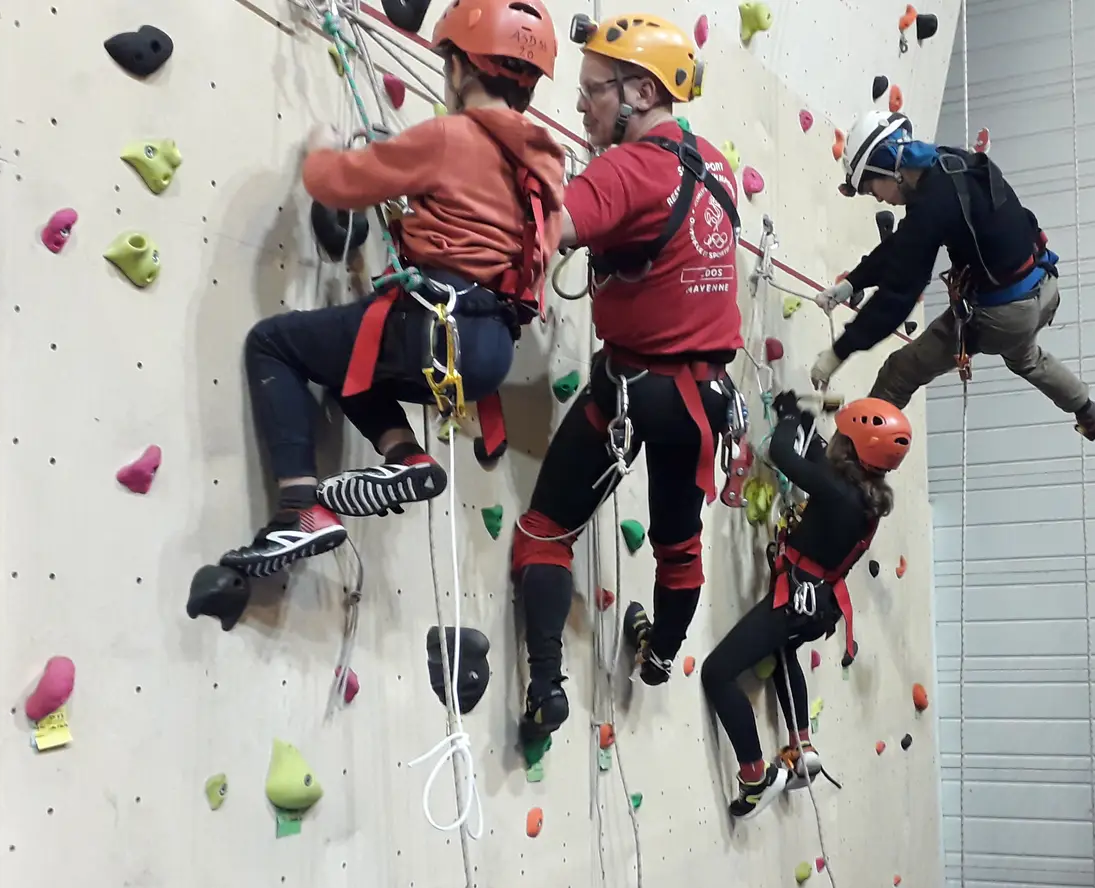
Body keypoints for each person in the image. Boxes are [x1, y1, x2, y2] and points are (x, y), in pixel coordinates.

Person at [217, 0, 565, 577]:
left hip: (433, 327)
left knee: (273, 344)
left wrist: (321, 148)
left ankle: (299, 509)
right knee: (349, 367)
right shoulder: (546, 173)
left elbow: (334, 181)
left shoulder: (452, 137)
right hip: (487, 353)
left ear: (458, 68)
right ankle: (405, 456)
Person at [510, 11, 742, 748]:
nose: (582, 106)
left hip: (635, 392)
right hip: (704, 401)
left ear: (640, 90)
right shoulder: (715, 166)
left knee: (544, 534)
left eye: (593, 92)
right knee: (679, 546)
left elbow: (549, 232)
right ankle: (661, 658)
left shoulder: (628, 170)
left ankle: (546, 683)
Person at [809, 110, 1095, 445]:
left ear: (889, 169)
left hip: (1003, 316)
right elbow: (905, 244)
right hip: (1043, 288)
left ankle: (853, 462)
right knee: (1027, 357)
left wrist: (838, 353)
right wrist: (852, 283)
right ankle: (1091, 412)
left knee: (898, 373)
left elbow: (898, 297)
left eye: (874, 189)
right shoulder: (950, 162)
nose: (880, 199)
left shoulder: (932, 204)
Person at [701, 393, 908, 819]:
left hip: (795, 602)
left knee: (717, 673)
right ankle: (803, 745)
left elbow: (781, 453)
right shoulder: (866, 496)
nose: (833, 441)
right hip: (821, 605)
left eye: (841, 438)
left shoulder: (837, 490)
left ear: (850, 450)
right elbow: (819, 464)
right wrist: (808, 426)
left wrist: (790, 417)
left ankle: (755, 778)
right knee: (782, 652)